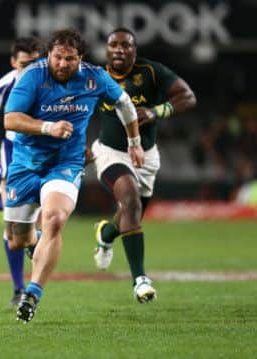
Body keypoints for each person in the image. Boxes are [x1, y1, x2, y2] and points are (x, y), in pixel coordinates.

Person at [3, 28, 145, 322]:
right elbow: (11, 119)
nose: (63, 64)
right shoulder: (33, 75)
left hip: (65, 163)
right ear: (49, 55)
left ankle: (32, 293)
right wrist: (47, 127)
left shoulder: (95, 78)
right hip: (25, 165)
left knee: (55, 219)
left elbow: (126, 106)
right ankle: (36, 241)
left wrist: (134, 143)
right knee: (17, 239)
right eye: (58, 57)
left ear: (80, 58)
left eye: (70, 59)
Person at [90, 28, 196, 302]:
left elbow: (188, 97)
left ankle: (106, 232)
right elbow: (79, 110)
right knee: (130, 200)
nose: (119, 50)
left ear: (134, 52)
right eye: (114, 44)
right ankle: (140, 280)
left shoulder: (150, 72)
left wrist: (155, 111)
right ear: (107, 49)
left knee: (131, 214)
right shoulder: (97, 78)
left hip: (147, 156)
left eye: (126, 46)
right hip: (111, 152)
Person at [0, 37, 43, 306]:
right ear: (14, 63)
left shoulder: (54, 81)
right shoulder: (1, 89)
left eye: (36, 62)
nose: (30, 69)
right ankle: (18, 288)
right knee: (16, 230)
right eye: (25, 64)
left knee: (41, 220)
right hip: (16, 152)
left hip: (49, 152)